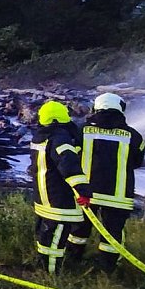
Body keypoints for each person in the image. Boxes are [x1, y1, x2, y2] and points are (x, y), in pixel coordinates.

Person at [66, 93, 145, 272]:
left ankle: (72, 261)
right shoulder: (134, 136)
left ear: (96, 108)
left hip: (86, 193)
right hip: (119, 197)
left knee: (79, 229)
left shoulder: (82, 131)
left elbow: (71, 157)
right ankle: (107, 270)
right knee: (112, 235)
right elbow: (138, 162)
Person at [29, 100, 92, 274]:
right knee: (55, 241)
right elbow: (68, 164)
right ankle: (50, 277)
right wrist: (83, 189)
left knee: (46, 237)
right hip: (58, 200)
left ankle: (42, 268)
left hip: (42, 197)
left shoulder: (39, 137)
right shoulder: (59, 138)